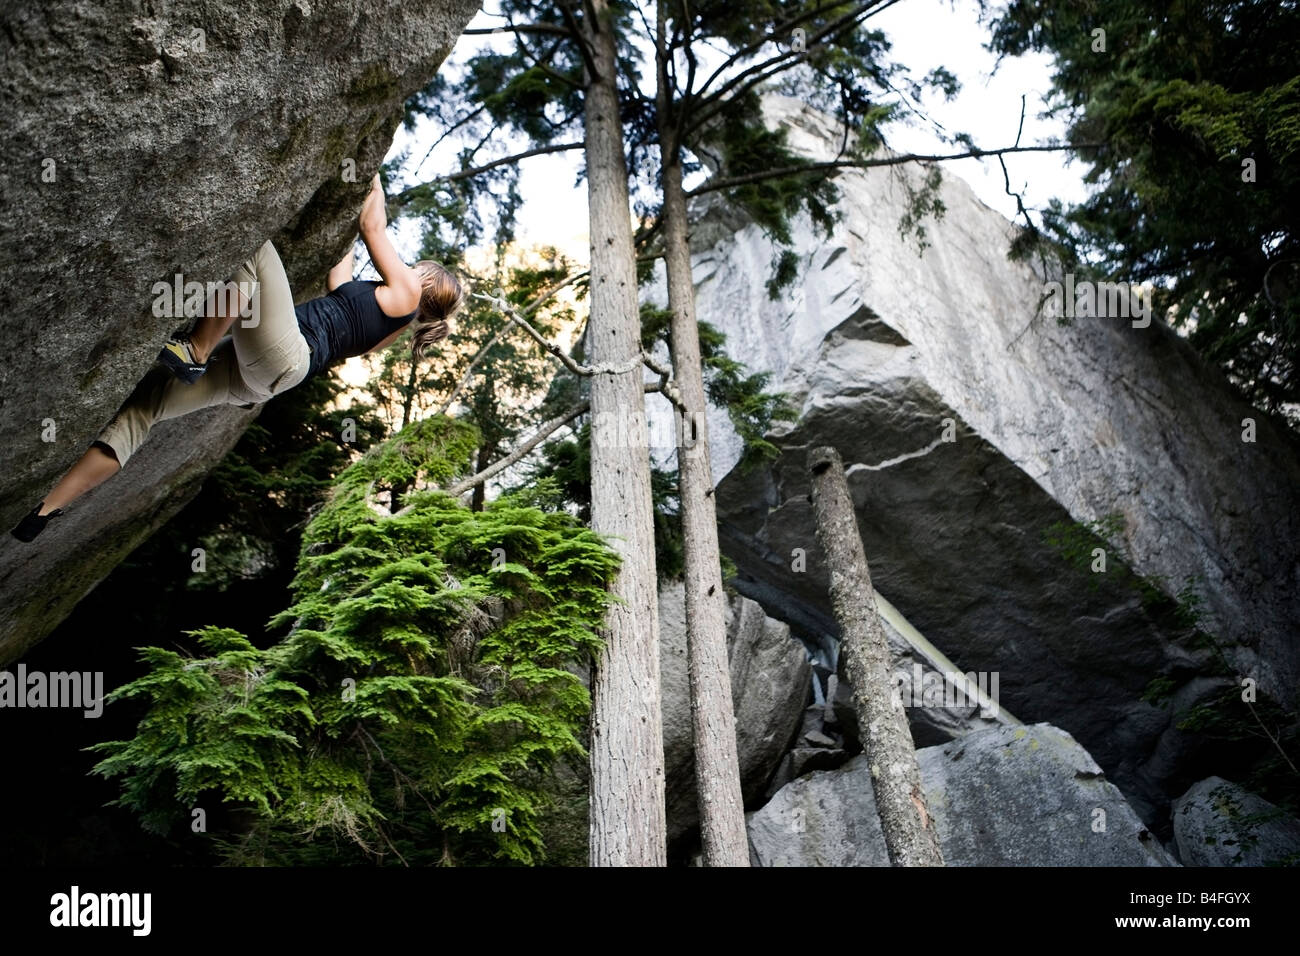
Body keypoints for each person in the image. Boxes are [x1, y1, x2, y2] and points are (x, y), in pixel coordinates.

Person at [11, 175, 464, 543]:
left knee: (255, 247)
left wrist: (372, 175)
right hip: (264, 379)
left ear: (424, 282)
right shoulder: (391, 321)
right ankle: (45, 511)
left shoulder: (405, 292)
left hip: (287, 352)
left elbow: (374, 229)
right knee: (145, 406)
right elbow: (340, 274)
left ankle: (196, 350)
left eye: (418, 269)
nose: (410, 268)